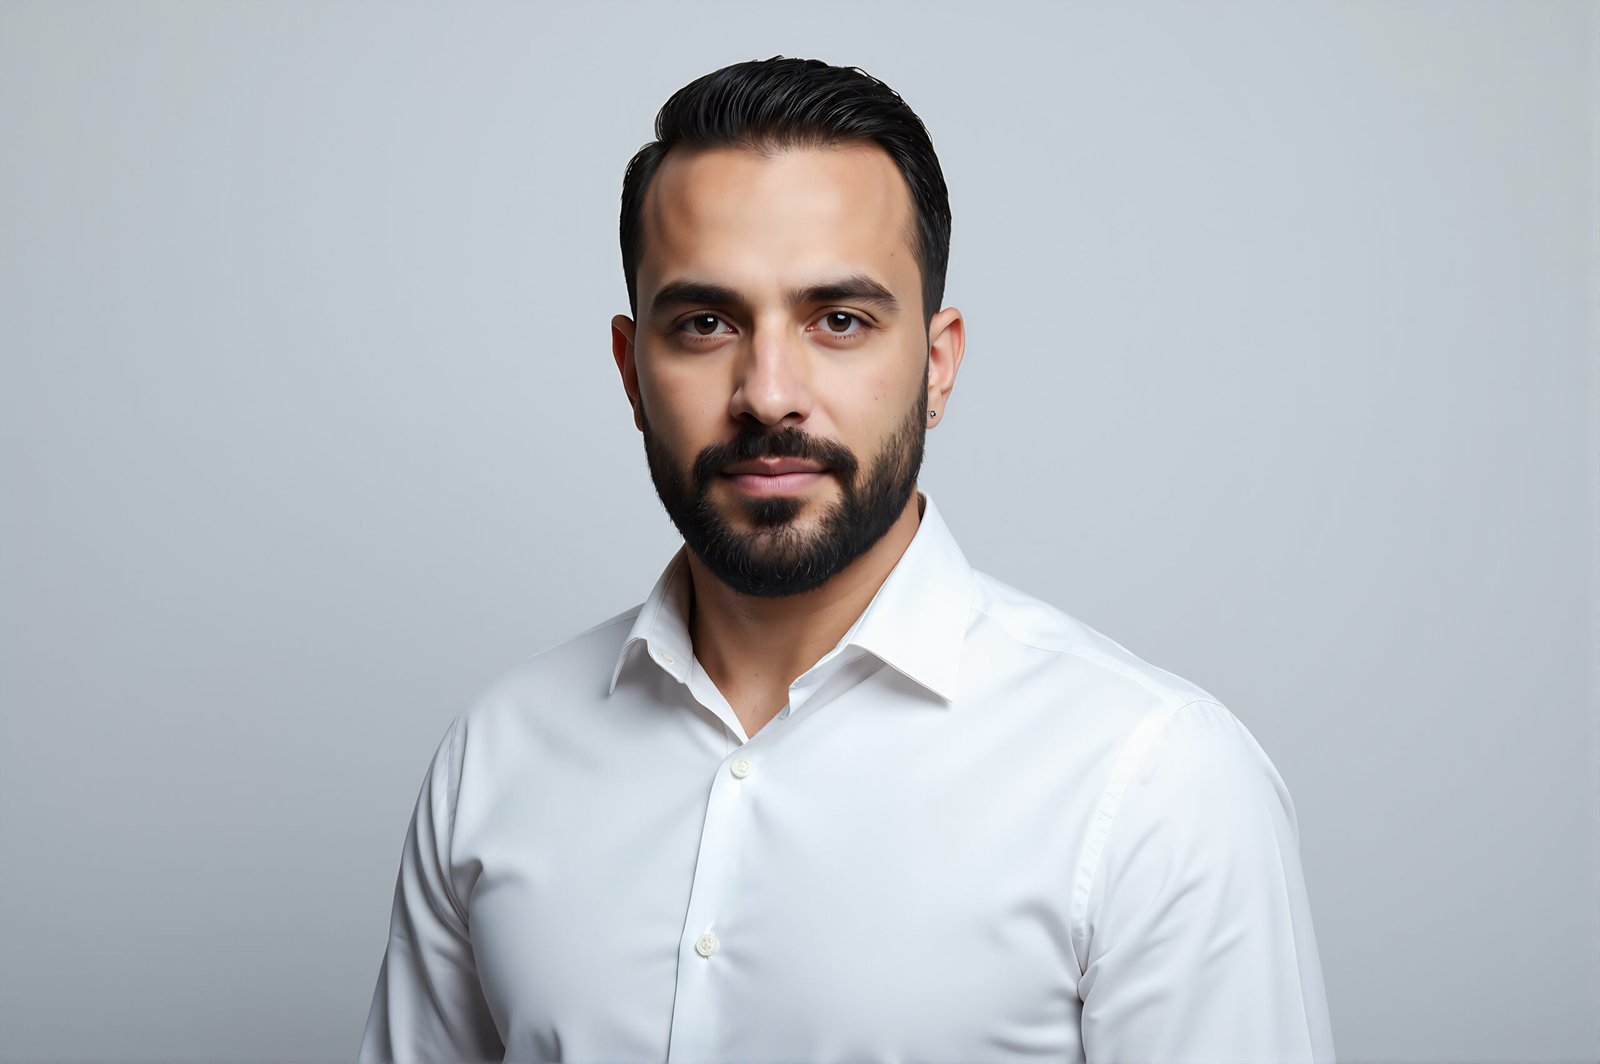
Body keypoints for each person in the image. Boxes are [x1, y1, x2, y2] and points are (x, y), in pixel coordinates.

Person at [358, 56, 1335, 1063]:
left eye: (838, 320)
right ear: (631, 370)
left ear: (936, 365)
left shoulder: (1153, 783)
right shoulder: (496, 758)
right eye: (705, 323)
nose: (769, 393)